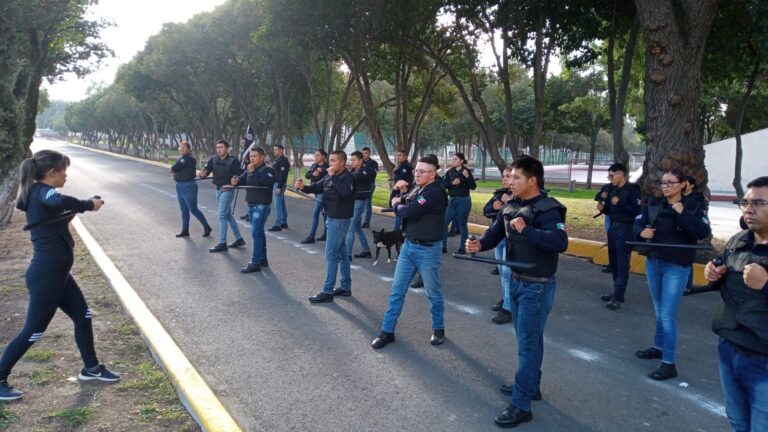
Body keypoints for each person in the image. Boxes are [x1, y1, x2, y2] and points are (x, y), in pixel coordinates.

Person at [0, 150, 120, 401]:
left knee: (83, 316)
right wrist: (88, 205)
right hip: (46, 275)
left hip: (59, 274)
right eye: (63, 170)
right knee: (33, 331)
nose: (66, 175)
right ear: (52, 173)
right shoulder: (44, 192)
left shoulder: (38, 194)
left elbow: (56, 212)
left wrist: (85, 205)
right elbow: (56, 200)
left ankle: (91, 368)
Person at [466, 156, 568, 429]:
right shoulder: (510, 205)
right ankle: (530, 386)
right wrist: (478, 244)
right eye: (509, 177)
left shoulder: (548, 210)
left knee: (528, 344)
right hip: (516, 281)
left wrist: (528, 230)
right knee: (530, 341)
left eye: (516, 178)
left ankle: (521, 405)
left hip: (538, 285)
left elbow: (560, 242)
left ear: (532, 180)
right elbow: (494, 234)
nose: (510, 181)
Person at [632, 169, 711, 380]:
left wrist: (681, 212)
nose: (666, 186)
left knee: (667, 314)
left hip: (677, 265)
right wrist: (641, 232)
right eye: (663, 183)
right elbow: (638, 222)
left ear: (682, 184)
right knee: (659, 310)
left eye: (671, 183)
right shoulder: (654, 203)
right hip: (654, 261)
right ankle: (658, 346)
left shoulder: (694, 205)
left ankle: (669, 363)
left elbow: (702, 232)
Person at [704, 176, 768, 432]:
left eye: (759, 203)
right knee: (737, 420)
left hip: (763, 360)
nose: (749, 209)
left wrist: (765, 284)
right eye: (745, 203)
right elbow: (727, 279)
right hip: (730, 347)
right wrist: (714, 275)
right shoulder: (738, 240)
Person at [371, 155, 448, 349]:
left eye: (421, 171)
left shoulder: (435, 192)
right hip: (408, 247)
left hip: (428, 250)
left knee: (433, 293)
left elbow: (408, 211)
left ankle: (438, 329)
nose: (417, 174)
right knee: (397, 291)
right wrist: (396, 192)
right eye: (416, 171)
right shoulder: (418, 187)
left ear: (433, 173)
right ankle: (387, 331)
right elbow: (397, 203)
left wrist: (398, 203)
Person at [295, 150, 356, 303]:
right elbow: (317, 186)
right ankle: (345, 287)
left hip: (339, 220)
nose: (331, 163)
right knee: (341, 254)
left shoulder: (348, 178)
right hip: (331, 218)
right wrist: (303, 187)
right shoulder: (330, 176)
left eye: (334, 160)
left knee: (331, 255)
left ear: (342, 162)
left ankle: (327, 291)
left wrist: (333, 177)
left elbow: (345, 193)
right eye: (330, 160)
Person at [598, 163, 642, 310]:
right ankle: (616, 291)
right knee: (614, 261)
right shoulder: (613, 189)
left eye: (612, 175)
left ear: (621, 174)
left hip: (626, 229)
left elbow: (636, 210)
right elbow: (611, 210)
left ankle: (618, 295)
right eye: (608, 176)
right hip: (614, 228)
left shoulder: (632, 189)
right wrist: (603, 209)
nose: (610, 179)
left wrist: (621, 203)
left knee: (622, 263)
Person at [231, 147, 275, 273]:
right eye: (251, 156)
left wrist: (252, 173)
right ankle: (262, 259)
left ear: (262, 157)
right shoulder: (250, 169)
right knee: (259, 232)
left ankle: (255, 262)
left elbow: (265, 182)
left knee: (255, 233)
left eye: (255, 156)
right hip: (251, 205)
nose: (252, 158)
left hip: (261, 206)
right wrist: (236, 180)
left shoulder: (268, 170)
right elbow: (242, 178)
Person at [199, 139, 246, 253]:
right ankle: (239, 239)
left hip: (227, 191)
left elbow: (241, 175)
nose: (219, 149)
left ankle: (222, 243)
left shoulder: (233, 161)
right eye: (217, 147)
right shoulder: (214, 159)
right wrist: (203, 173)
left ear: (227, 148)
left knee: (221, 215)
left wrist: (233, 181)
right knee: (227, 215)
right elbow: (206, 170)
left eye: (221, 147)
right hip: (218, 189)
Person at [483, 167, 514, 325]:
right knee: (502, 272)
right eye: (503, 176)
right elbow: (486, 210)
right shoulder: (500, 194)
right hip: (498, 238)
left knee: (508, 273)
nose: (504, 179)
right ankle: (506, 299)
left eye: (508, 176)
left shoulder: (520, 197)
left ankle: (509, 309)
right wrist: (495, 207)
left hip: (512, 240)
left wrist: (507, 205)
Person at [170, 140, 212, 238]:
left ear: (189, 149)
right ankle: (185, 230)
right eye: (180, 147)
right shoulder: (182, 158)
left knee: (193, 209)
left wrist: (173, 168)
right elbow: (175, 167)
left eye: (184, 147)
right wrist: (174, 168)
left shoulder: (188, 158)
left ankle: (207, 227)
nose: (181, 149)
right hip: (179, 185)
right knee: (183, 209)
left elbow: (175, 167)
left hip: (188, 186)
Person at [442, 152, 477, 254]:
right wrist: (452, 183)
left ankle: (462, 247)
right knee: (444, 223)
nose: (453, 160)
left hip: (463, 201)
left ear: (461, 161)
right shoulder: (450, 172)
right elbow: (444, 185)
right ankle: (443, 246)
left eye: (456, 159)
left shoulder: (466, 171)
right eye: (453, 159)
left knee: (462, 224)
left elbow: (473, 186)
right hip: (451, 201)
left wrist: (467, 177)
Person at [346, 151, 374, 259]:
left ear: (361, 160)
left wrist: (347, 174)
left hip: (360, 202)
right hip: (353, 201)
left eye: (354, 160)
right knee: (357, 228)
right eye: (351, 160)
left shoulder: (367, 170)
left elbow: (357, 177)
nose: (352, 162)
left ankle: (347, 254)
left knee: (350, 228)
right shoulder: (353, 170)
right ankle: (366, 251)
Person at [301, 149, 329, 244]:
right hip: (316, 192)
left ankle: (311, 236)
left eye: (318, 155)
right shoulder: (314, 165)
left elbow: (328, 178)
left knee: (315, 214)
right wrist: (313, 174)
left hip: (322, 193)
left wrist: (321, 172)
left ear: (323, 156)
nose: (316, 157)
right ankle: (326, 234)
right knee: (325, 214)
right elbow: (307, 175)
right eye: (315, 155)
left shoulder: (327, 167)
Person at [268, 144, 290, 231]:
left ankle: (278, 224)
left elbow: (283, 175)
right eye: (274, 149)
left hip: (279, 184)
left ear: (281, 150)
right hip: (277, 184)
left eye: (276, 149)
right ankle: (284, 222)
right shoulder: (278, 160)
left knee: (277, 205)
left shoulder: (283, 161)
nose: (274, 151)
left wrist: (279, 187)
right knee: (281, 204)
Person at [391, 149, 414, 230]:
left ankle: (396, 231)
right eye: (397, 155)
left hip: (405, 191)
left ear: (405, 156)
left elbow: (402, 179)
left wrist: (396, 172)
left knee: (399, 210)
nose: (398, 157)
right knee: (399, 211)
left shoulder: (406, 166)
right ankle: (399, 230)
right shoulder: (401, 165)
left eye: (400, 155)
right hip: (402, 191)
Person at [594, 182, 614, 273]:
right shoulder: (607, 186)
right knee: (611, 241)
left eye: (612, 175)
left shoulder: (627, 188)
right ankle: (612, 264)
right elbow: (597, 196)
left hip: (621, 219)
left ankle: (618, 265)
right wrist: (602, 196)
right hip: (609, 216)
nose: (611, 177)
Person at [361, 146, 378, 228]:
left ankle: (367, 222)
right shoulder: (360, 162)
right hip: (361, 185)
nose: (364, 155)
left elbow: (372, 174)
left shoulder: (373, 163)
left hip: (370, 185)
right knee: (359, 203)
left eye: (366, 153)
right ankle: (358, 220)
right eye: (363, 153)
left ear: (369, 153)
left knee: (367, 203)